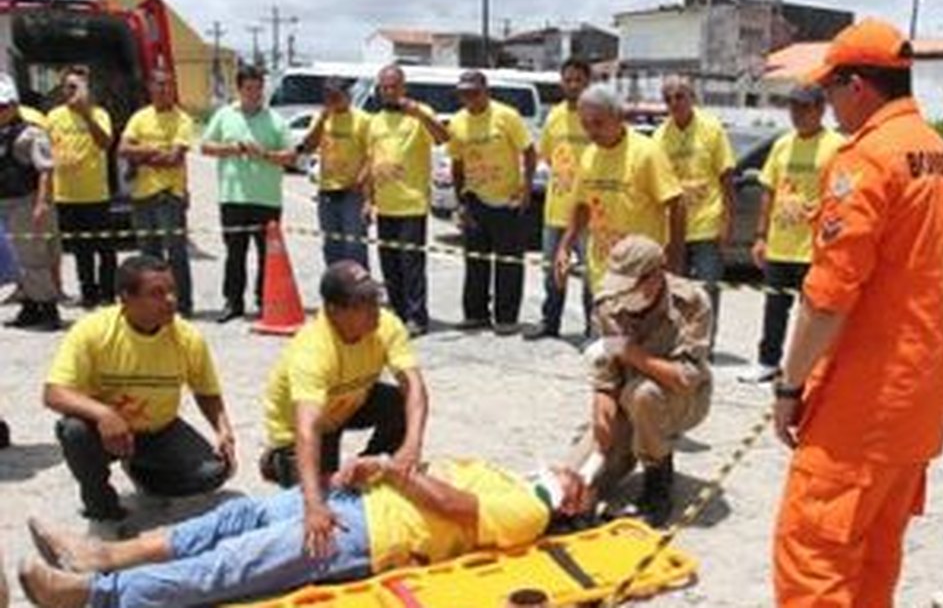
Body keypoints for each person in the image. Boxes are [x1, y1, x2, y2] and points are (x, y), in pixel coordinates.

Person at [770, 19, 943, 607]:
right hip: (916, 406)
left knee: (814, 559)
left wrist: (789, 385)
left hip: (862, 409)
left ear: (857, 86)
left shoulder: (867, 161)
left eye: (830, 91)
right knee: (875, 563)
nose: (827, 107)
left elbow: (828, 296)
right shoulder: (939, 157)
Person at [19, 456, 590, 608]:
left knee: (232, 562)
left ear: (571, 501)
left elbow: (457, 508)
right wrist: (375, 469)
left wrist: (392, 470)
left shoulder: (530, 510)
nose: (569, 469)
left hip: (368, 532)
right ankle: (105, 554)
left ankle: (95, 597)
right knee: (229, 520)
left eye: (576, 478)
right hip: (357, 497)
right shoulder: (512, 477)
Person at [43, 255, 236, 524]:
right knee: (74, 431)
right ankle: (101, 505)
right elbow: (54, 392)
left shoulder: (188, 337)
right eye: (157, 293)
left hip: (160, 430)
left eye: (172, 291)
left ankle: (141, 471)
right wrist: (104, 414)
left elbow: (206, 390)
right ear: (126, 298)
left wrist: (223, 429)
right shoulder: (93, 331)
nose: (170, 300)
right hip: (105, 433)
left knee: (214, 473)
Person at [258, 261, 429, 551]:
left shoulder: (386, 325)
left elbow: (414, 386)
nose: (375, 310)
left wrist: (410, 446)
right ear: (334, 311)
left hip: (348, 404)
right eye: (363, 304)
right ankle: (278, 462)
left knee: (399, 403)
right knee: (321, 510)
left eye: (375, 299)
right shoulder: (312, 350)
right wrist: (313, 505)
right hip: (301, 430)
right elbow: (306, 428)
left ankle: (367, 470)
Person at [570, 235, 711, 528]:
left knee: (643, 393)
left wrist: (629, 352)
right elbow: (606, 374)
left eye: (630, 286)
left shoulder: (692, 303)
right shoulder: (608, 304)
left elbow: (685, 379)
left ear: (657, 275)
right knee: (576, 480)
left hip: (681, 400)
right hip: (626, 397)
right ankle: (627, 453)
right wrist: (603, 414)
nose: (622, 296)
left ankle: (657, 484)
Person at [737, 84, 842, 383]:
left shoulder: (835, 146)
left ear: (821, 109)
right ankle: (768, 361)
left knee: (812, 314)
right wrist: (760, 236)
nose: (797, 114)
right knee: (774, 308)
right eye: (793, 107)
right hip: (780, 245)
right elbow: (768, 190)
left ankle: (808, 368)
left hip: (814, 247)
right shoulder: (783, 145)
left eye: (804, 107)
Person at [554, 84, 685, 313]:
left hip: (640, 273)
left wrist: (673, 256)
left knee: (634, 345)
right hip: (602, 274)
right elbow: (582, 205)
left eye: (598, 123)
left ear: (618, 117)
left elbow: (676, 203)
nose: (591, 132)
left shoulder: (647, 153)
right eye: (585, 124)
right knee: (606, 342)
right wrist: (565, 246)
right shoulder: (589, 155)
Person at [200, 65, 296, 323]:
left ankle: (265, 301)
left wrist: (264, 154)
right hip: (233, 198)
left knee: (268, 255)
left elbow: (291, 155)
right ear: (239, 89)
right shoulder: (224, 115)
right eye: (249, 88)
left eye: (258, 88)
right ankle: (233, 302)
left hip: (267, 200)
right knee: (235, 254)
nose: (254, 93)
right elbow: (205, 147)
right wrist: (233, 149)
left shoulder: (274, 119)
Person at [361, 64, 449, 337]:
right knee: (389, 265)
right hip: (384, 206)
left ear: (403, 87)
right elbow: (370, 162)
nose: (388, 92)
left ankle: (417, 317)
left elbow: (443, 136)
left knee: (411, 265)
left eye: (393, 87)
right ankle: (398, 315)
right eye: (384, 87)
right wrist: (367, 200)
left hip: (411, 204)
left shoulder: (418, 115)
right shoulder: (374, 121)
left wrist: (419, 113)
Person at [448, 70, 537, 335]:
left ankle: (506, 317)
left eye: (474, 92)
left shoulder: (506, 116)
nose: (469, 98)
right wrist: (460, 201)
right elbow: (457, 163)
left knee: (508, 263)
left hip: (507, 202)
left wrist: (526, 189)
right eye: (464, 94)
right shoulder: (457, 122)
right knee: (475, 261)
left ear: (486, 90)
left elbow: (529, 152)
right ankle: (476, 314)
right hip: (476, 199)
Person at [653, 75, 736, 350]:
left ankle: (704, 347)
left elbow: (726, 178)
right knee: (675, 291)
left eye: (680, 96)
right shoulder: (659, 135)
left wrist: (727, 221)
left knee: (707, 291)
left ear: (692, 98)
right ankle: (679, 342)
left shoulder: (712, 129)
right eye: (668, 98)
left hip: (707, 225)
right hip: (673, 229)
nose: (674, 103)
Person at [523, 57, 594, 341]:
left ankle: (593, 328)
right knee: (552, 268)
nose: (573, 85)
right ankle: (550, 323)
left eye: (579, 79)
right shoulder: (553, 116)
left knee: (592, 274)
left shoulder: (596, 114)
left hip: (591, 211)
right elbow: (549, 157)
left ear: (588, 82)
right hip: (556, 210)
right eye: (569, 79)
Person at [119, 70, 194, 317]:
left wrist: (141, 156)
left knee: (176, 254)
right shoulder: (140, 117)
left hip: (169, 195)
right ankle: (151, 305)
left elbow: (174, 158)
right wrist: (154, 151)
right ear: (150, 87)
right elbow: (123, 149)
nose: (164, 90)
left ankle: (182, 305)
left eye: (169, 85)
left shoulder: (182, 119)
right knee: (147, 257)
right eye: (159, 85)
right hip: (142, 195)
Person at [47, 65, 118, 309]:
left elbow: (105, 143)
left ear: (87, 88)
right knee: (80, 249)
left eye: (76, 86)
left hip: (95, 194)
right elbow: (46, 150)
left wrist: (86, 114)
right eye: (67, 86)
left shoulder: (99, 114)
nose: (71, 91)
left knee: (105, 248)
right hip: (65, 195)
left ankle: (108, 294)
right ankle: (88, 293)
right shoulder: (54, 116)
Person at [0, 72, 61, 331]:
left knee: (32, 258)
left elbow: (45, 170)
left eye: (2, 107)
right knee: (14, 260)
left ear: (14, 106)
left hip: (26, 203)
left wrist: (41, 203)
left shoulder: (31, 134)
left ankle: (48, 309)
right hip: (5, 203)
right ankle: (29, 307)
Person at [299, 77, 372, 268]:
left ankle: (359, 291)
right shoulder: (322, 117)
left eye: (337, 96)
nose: (333, 100)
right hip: (327, 191)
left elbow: (372, 155)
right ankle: (337, 291)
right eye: (329, 96)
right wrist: (322, 119)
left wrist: (361, 182)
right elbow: (307, 147)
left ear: (348, 96)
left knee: (354, 247)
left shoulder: (363, 120)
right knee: (331, 246)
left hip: (352, 192)